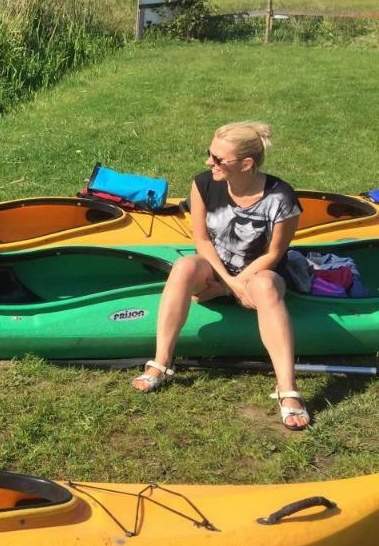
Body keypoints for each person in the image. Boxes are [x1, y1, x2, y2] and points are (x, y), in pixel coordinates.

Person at [131, 122, 310, 430]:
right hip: (219, 273)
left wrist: (237, 286)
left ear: (246, 164)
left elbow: (273, 255)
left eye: (217, 159)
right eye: (209, 154)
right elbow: (200, 239)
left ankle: (287, 389)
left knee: (266, 286)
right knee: (185, 266)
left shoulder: (281, 197)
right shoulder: (203, 184)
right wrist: (229, 283)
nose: (208, 163)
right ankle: (160, 362)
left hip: (259, 275)